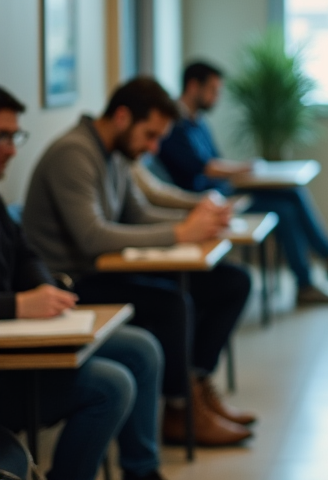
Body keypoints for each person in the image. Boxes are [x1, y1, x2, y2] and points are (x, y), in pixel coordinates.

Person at [21, 78, 257, 447]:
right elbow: (92, 237)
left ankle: (194, 383)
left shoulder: (114, 152)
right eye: (150, 135)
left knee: (231, 282)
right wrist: (181, 233)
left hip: (104, 270)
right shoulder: (74, 153)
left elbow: (138, 213)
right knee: (172, 305)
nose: (153, 148)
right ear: (122, 117)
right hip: (69, 284)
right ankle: (179, 409)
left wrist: (200, 224)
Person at [0, 86, 167, 480]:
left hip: (21, 337)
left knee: (142, 348)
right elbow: (92, 237)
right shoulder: (73, 153)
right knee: (112, 385)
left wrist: (44, 289)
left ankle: (142, 470)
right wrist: (18, 305)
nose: (12, 150)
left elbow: (26, 254)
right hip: (9, 362)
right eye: (3, 136)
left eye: (14, 136)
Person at [156, 61, 328, 306]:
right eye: (213, 90)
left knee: (292, 192)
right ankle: (307, 283)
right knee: (284, 211)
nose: (216, 97)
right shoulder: (175, 124)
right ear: (193, 86)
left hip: (221, 191)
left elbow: (214, 161)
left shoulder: (197, 121)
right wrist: (244, 168)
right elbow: (203, 166)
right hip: (207, 201)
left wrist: (243, 170)